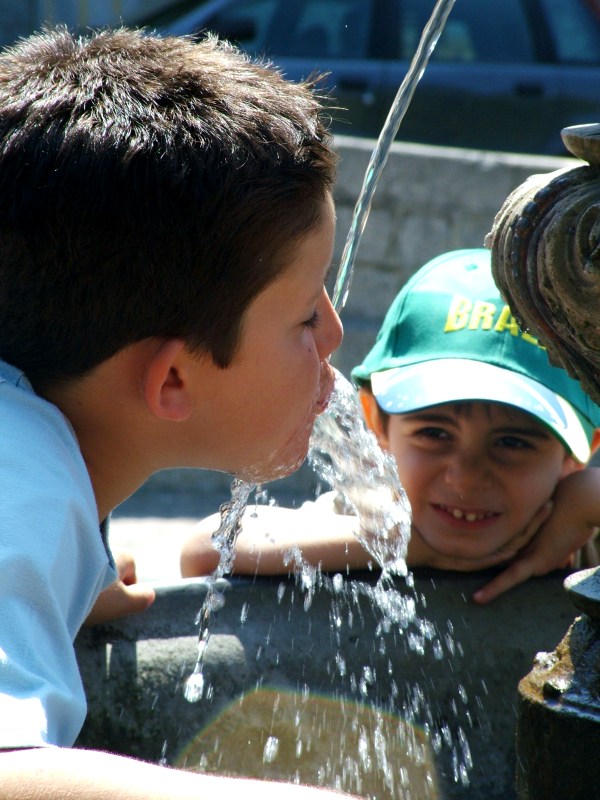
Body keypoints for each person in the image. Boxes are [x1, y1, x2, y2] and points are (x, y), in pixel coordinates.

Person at [0, 25, 353, 800]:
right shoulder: (23, 488)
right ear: (172, 383)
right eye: (304, 315)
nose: (333, 333)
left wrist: (59, 579)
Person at [181, 248, 600, 603]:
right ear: (374, 420)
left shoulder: (581, 538)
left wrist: (585, 498)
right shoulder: (372, 514)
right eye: (435, 434)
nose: (466, 477)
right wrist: (395, 544)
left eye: (512, 443)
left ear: (581, 449)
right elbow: (209, 546)